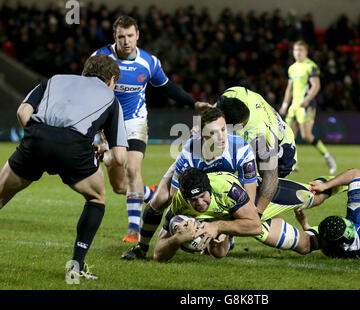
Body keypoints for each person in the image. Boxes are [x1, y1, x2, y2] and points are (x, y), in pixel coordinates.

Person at [121, 107, 323, 260]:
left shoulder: (240, 148)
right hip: (199, 185)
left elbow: (250, 195)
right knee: (161, 199)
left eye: (223, 130)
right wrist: (193, 226)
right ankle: (141, 247)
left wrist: (224, 226)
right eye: (213, 133)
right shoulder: (189, 154)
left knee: (305, 197)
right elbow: (178, 198)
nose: (221, 138)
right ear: (201, 135)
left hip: (229, 191)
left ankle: (334, 188)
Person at [0, 54, 128, 280]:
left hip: (36, 138)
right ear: (111, 80)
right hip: (74, 148)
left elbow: (22, 112)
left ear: (85, 71)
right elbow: (120, 157)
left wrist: (36, 138)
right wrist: (102, 155)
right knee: (96, 197)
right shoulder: (110, 98)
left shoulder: (55, 79)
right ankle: (75, 267)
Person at [91, 15, 211, 243]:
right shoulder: (101, 58)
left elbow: (166, 86)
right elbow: (87, 89)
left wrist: (193, 102)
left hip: (134, 121)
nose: (126, 41)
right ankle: (151, 194)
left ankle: (134, 230)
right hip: (107, 124)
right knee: (119, 186)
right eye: (121, 36)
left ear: (137, 35)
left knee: (132, 169)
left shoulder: (149, 62)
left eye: (130, 36)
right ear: (114, 37)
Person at [216, 86, 297, 217]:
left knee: (261, 186)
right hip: (257, 130)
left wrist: (256, 213)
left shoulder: (261, 137)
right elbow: (217, 109)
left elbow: (271, 177)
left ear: (237, 126)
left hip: (284, 153)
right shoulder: (235, 93)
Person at [153, 168, 262, 262]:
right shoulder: (178, 202)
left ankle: (227, 231)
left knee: (270, 237)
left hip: (253, 206)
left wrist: (218, 226)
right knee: (217, 252)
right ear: (186, 199)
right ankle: (225, 233)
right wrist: (176, 239)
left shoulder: (227, 188)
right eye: (193, 199)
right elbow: (158, 255)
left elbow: (256, 226)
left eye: (202, 196)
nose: (200, 203)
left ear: (209, 190)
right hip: (221, 214)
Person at [279, 40, 337, 174]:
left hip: (306, 105)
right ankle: (293, 162)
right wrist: (285, 105)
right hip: (294, 105)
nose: (297, 53)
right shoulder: (292, 68)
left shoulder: (311, 66)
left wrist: (307, 99)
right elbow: (289, 89)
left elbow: (316, 85)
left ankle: (328, 156)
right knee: (289, 135)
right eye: (295, 50)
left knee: (306, 136)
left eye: (300, 50)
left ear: (306, 51)